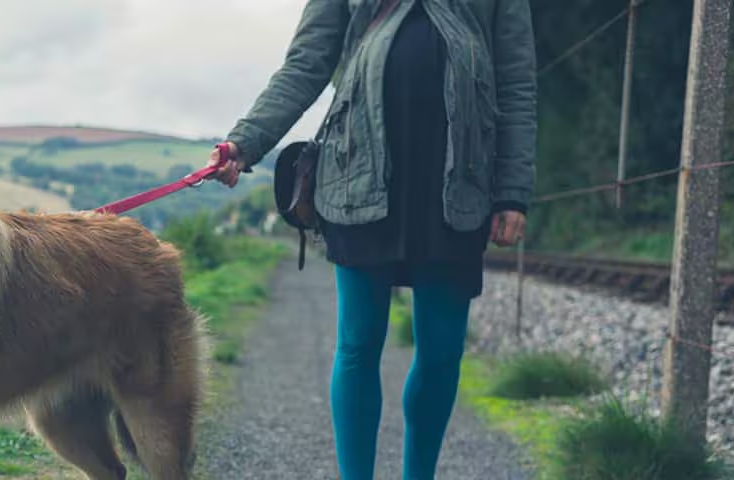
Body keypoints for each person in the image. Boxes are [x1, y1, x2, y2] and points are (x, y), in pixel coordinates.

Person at [207, 0, 536, 478]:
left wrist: (512, 193)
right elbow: (307, 62)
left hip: (460, 175)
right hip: (358, 170)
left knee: (443, 349)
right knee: (359, 342)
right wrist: (246, 141)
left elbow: (517, 81)